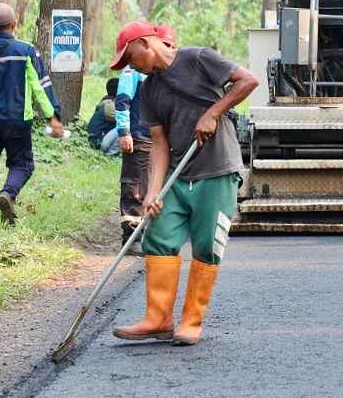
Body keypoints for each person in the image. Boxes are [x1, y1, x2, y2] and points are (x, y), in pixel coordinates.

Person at [109, 21, 257, 345]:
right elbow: (159, 144)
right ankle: (157, 318)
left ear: (146, 44)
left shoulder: (198, 59)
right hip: (178, 174)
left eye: (131, 58)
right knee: (159, 237)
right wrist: (152, 192)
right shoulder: (148, 90)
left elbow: (248, 80)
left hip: (217, 170)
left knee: (206, 245)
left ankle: (191, 321)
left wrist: (214, 112)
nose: (131, 67)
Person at [0, 3, 65, 223]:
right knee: (23, 164)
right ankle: (8, 193)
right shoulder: (26, 51)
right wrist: (53, 117)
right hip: (18, 121)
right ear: (14, 24)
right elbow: (40, 87)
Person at [114, 24, 177, 255]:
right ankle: (131, 237)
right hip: (138, 138)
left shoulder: (164, 73)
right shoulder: (134, 72)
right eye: (166, 45)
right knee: (134, 187)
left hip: (159, 142)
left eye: (171, 47)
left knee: (155, 188)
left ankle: (151, 235)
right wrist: (124, 132)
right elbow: (122, 101)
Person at [87, 78, 119, 155]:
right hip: (98, 142)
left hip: (96, 139)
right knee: (125, 126)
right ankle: (111, 154)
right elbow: (127, 120)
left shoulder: (107, 101)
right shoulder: (110, 105)